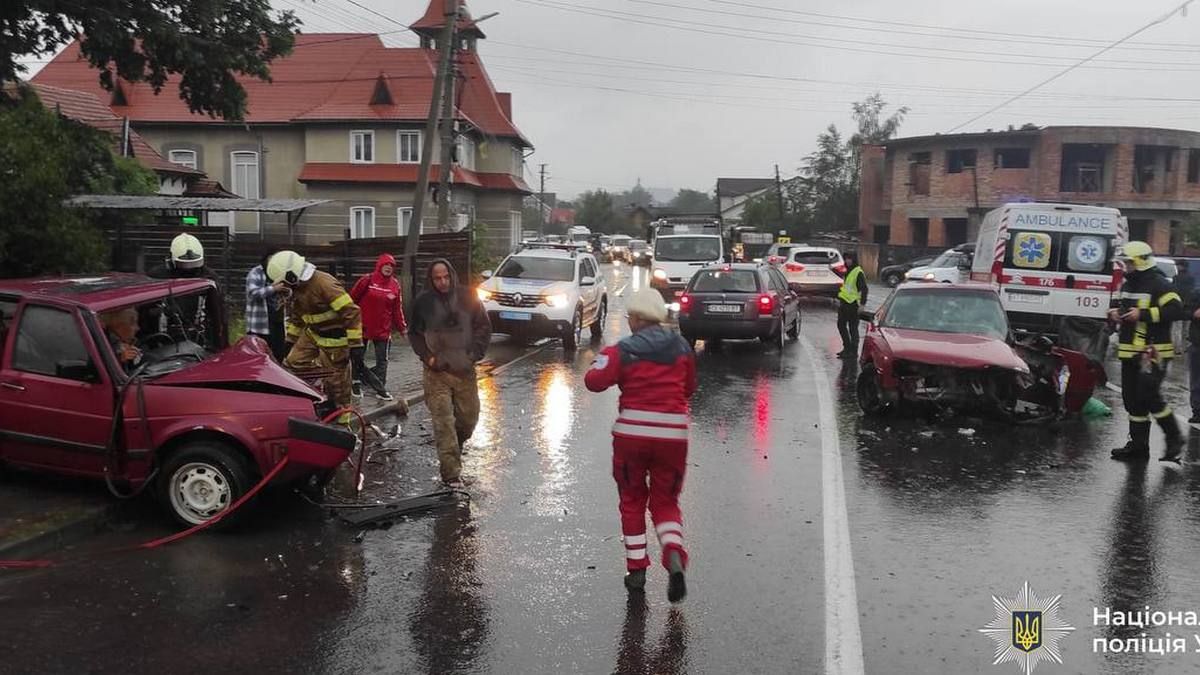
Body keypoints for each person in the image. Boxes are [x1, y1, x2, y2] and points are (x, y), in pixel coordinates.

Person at [585, 287, 697, 603]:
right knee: (665, 501)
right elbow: (689, 388)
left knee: (632, 500)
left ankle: (636, 571)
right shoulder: (682, 348)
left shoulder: (624, 349)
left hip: (631, 435)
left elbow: (594, 382)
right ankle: (673, 553)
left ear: (635, 318)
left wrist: (600, 361)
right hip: (673, 437)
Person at [408, 259, 491, 488]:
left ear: (452, 275)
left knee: (468, 420)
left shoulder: (469, 297)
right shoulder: (422, 303)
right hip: (437, 373)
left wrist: (473, 354)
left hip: (464, 370)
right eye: (437, 278)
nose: (442, 282)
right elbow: (414, 333)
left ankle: (454, 445)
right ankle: (451, 476)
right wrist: (428, 357)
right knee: (444, 423)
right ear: (431, 279)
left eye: (446, 277)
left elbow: (483, 326)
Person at [1109, 241, 1186, 462]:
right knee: (1132, 400)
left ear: (1141, 261)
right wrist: (1116, 312)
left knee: (1148, 395)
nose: (1126, 267)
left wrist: (1142, 315)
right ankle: (1138, 447)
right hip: (1129, 352)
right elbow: (1123, 307)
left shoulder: (1160, 284)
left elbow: (1175, 310)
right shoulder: (1128, 284)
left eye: (1129, 262)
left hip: (1153, 353)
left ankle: (1174, 437)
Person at [266, 251, 363, 425]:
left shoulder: (324, 284)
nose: (283, 287)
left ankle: (342, 423)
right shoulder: (296, 289)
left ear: (292, 275)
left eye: (284, 282)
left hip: (336, 339)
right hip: (312, 334)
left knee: (337, 385)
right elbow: (297, 319)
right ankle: (315, 395)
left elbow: (351, 311)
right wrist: (289, 342)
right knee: (291, 364)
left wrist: (355, 345)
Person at [147, 233, 228, 348]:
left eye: (194, 266)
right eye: (184, 266)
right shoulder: (157, 277)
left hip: (200, 340)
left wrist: (221, 345)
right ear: (171, 261)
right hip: (165, 339)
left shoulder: (208, 277)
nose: (189, 271)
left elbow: (219, 313)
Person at [349, 253, 408, 401]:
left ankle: (380, 388)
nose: (388, 268)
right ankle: (355, 383)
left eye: (391, 266)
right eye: (386, 265)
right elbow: (351, 300)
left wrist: (402, 328)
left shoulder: (395, 285)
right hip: (362, 327)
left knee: (383, 360)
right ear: (380, 265)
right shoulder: (366, 280)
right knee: (358, 357)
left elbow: (396, 309)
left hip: (383, 330)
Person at [245, 250, 290, 361]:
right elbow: (253, 293)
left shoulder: (281, 273)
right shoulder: (256, 273)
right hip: (260, 324)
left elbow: (290, 291)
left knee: (278, 353)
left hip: (278, 320)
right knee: (259, 355)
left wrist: (286, 292)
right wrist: (273, 288)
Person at [836, 251, 868, 359]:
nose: (847, 261)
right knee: (841, 325)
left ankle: (853, 351)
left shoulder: (858, 272)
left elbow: (864, 289)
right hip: (844, 302)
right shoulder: (848, 271)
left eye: (849, 258)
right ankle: (847, 348)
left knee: (853, 328)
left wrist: (862, 304)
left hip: (853, 304)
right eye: (846, 258)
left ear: (854, 259)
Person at [100, 307, 142, 372]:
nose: (137, 328)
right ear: (119, 326)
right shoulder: (102, 344)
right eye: (132, 323)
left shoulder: (126, 341)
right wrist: (120, 359)